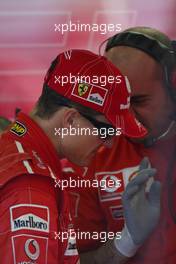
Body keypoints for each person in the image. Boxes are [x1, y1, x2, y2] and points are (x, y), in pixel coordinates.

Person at [0, 49, 158, 263]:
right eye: (106, 131)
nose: (110, 143)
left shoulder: (12, 145)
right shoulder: (30, 187)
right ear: (71, 120)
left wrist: (127, 240)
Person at [62, 27, 176, 263]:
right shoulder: (91, 155)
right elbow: (74, 260)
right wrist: (127, 241)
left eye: (138, 101)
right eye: (116, 102)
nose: (126, 117)